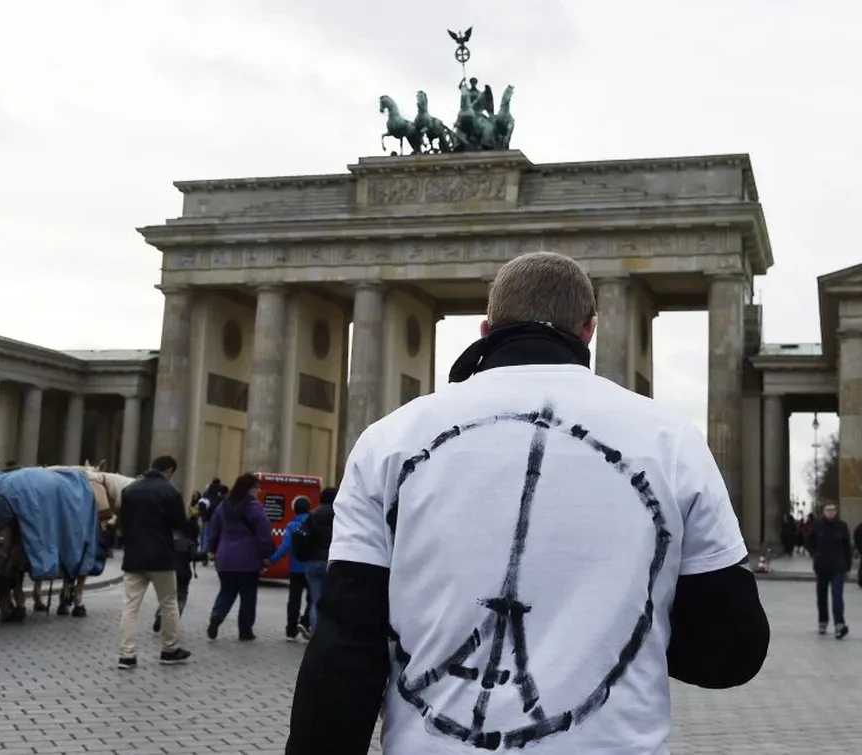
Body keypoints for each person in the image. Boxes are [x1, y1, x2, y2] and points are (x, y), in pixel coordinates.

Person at [285, 252, 770, 755]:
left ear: (485, 329)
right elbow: (733, 650)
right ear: (589, 331)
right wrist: (628, 629)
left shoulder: (387, 440)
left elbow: (344, 651)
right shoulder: (672, 441)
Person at [115, 455, 191, 669]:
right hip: (161, 557)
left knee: (130, 606)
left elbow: (122, 522)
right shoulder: (170, 491)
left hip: (133, 556)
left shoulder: (129, 490)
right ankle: (169, 649)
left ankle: (126, 655)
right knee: (168, 603)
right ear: (169, 471)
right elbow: (180, 524)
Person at [207, 473, 273, 641]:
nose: (258, 491)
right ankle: (245, 631)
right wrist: (266, 554)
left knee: (226, 591)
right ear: (251, 489)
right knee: (248, 596)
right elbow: (264, 534)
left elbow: (213, 530)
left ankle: (217, 615)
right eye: (257, 488)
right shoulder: (256, 508)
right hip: (248, 559)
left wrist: (212, 550)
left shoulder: (224, 506)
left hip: (225, 556)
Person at [267, 496, 313, 641]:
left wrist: (272, 560)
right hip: (311, 566)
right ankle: (306, 622)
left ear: (294, 510)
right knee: (312, 597)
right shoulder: (314, 524)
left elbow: (285, 546)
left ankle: (291, 630)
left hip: (296, 567)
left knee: (294, 599)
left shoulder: (292, 526)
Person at [806, 501, 851, 639]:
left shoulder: (842, 526)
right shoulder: (818, 526)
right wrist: (815, 553)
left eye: (833, 509)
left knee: (837, 595)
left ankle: (839, 624)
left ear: (836, 511)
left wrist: (847, 566)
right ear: (824, 511)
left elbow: (847, 547)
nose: (830, 512)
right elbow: (808, 541)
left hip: (838, 566)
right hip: (822, 566)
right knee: (822, 596)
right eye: (828, 510)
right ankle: (823, 621)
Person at [297, 487, 336, 638]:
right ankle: (329, 632)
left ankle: (316, 632)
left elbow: (303, 538)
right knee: (332, 599)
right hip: (332, 562)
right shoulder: (340, 515)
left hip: (312, 562)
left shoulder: (312, 516)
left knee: (315, 599)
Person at [152, 514, 201, 632]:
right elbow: (194, 556)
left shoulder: (172, 540)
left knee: (167, 596)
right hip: (184, 574)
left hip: (168, 571)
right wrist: (206, 555)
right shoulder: (190, 543)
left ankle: (160, 615)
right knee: (181, 597)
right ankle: (173, 619)